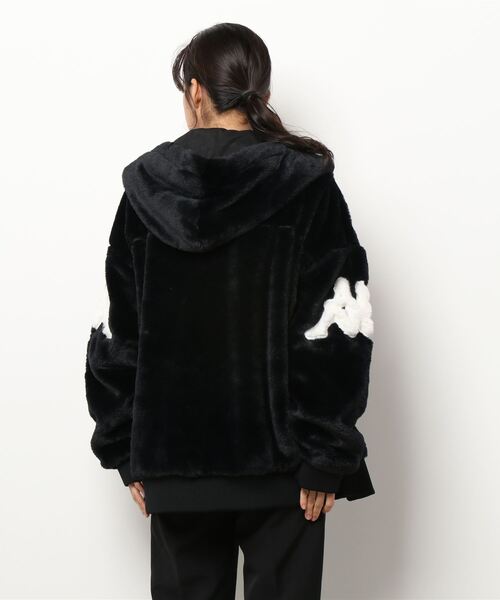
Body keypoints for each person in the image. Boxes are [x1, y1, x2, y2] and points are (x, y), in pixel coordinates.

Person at [84, 22, 375, 600]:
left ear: (195, 91)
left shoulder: (144, 192)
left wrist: (125, 448)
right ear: (261, 93)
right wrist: (326, 456)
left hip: (174, 469)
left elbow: (119, 333)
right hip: (286, 474)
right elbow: (339, 328)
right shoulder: (307, 185)